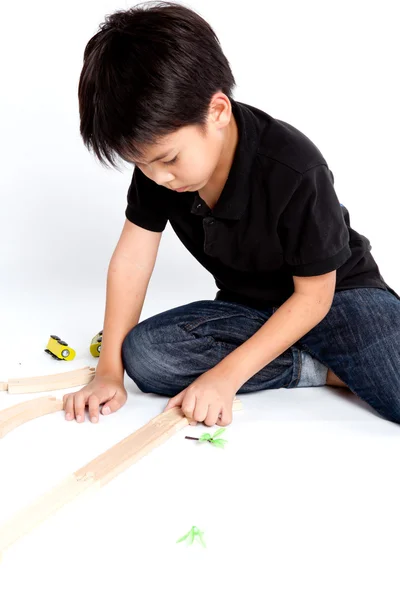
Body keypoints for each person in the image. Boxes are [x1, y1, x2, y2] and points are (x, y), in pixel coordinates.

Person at [63, 1, 400, 428]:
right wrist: (108, 372)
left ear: (217, 111)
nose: (158, 177)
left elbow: (314, 296)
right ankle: (320, 369)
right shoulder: (158, 170)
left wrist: (225, 377)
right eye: (142, 165)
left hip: (338, 300)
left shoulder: (293, 167)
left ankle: (323, 357)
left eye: (168, 159)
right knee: (147, 356)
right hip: (251, 311)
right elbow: (132, 261)